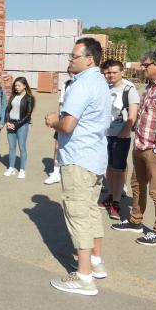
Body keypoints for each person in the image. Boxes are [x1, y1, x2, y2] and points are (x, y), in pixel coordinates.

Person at [45, 37, 111, 296]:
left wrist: (53, 120)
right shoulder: (101, 83)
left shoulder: (82, 85)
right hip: (94, 158)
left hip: (79, 159)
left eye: (73, 56)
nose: (69, 60)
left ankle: (83, 277)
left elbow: (68, 124)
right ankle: (95, 262)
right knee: (91, 211)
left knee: (78, 215)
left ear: (89, 59)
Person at [112, 50, 156, 246]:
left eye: (147, 65)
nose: (143, 68)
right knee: (137, 184)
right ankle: (136, 221)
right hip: (142, 145)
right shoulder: (152, 87)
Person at [100, 60, 139, 220]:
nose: (110, 75)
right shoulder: (104, 88)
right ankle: (110, 195)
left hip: (120, 137)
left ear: (122, 72)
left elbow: (133, 115)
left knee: (118, 169)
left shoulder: (129, 89)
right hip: (105, 135)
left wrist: (124, 132)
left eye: (114, 72)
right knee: (108, 168)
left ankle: (116, 202)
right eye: (108, 73)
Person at [45, 69, 73, 185]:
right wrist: (58, 119)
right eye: (70, 73)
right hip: (63, 119)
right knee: (57, 147)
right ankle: (56, 172)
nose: (72, 75)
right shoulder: (66, 85)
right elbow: (61, 103)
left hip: (75, 122)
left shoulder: (83, 86)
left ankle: (69, 173)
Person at [4, 77, 35, 179]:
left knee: (22, 147)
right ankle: (11, 168)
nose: (16, 87)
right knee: (11, 147)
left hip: (22, 125)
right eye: (15, 85)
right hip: (10, 124)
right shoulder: (13, 96)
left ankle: (22, 170)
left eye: (19, 85)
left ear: (25, 86)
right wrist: (7, 121)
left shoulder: (29, 98)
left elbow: (28, 115)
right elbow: (8, 109)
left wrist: (16, 125)